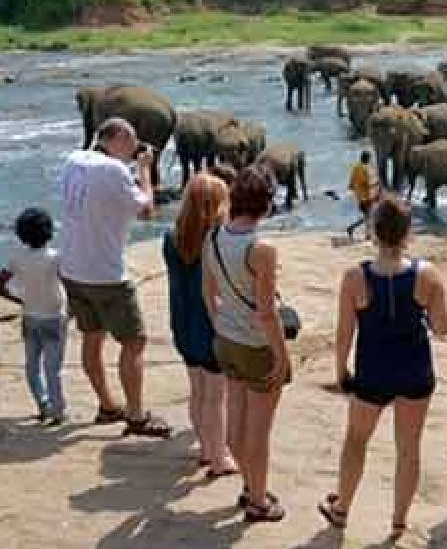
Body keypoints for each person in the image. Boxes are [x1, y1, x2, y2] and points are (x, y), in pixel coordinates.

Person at [319, 196, 447, 534]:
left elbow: (344, 334)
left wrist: (340, 373)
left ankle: (342, 508)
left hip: (373, 370)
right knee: (409, 448)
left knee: (356, 440)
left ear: (374, 232)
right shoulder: (427, 274)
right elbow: (443, 329)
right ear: (409, 233)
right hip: (414, 370)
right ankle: (398, 520)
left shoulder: (354, 277)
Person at [59, 117, 169, 438]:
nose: (136, 147)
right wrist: (145, 170)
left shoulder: (74, 160)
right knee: (134, 342)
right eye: (133, 140)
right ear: (118, 137)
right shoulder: (115, 171)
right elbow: (147, 211)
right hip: (106, 273)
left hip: (72, 268)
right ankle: (135, 415)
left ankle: (107, 405)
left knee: (92, 338)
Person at [203, 166, 292, 522]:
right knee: (259, 431)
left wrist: (222, 326)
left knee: (235, 423)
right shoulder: (261, 248)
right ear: (266, 204)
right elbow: (268, 314)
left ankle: (249, 485)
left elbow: (208, 294)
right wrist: (282, 356)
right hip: (257, 345)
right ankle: (257, 499)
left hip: (227, 339)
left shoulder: (213, 237)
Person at [163, 173, 237, 476]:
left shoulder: (171, 237)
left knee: (197, 390)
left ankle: (207, 449)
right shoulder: (217, 240)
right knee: (217, 395)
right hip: (211, 324)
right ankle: (218, 458)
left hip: (182, 323)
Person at [0, 208, 68, 425]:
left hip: (30, 315)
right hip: (55, 315)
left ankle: (42, 404)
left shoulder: (17, 258)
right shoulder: (56, 258)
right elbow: (70, 283)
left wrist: (18, 299)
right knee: (53, 368)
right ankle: (58, 409)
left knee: (32, 366)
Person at [346, 151, 379, 240]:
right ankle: (365, 233)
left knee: (368, 215)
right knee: (369, 215)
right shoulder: (367, 169)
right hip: (368, 195)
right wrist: (376, 189)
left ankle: (363, 232)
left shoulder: (356, 168)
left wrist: (356, 192)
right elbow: (369, 183)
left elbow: (351, 184)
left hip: (360, 196)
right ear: (368, 159)